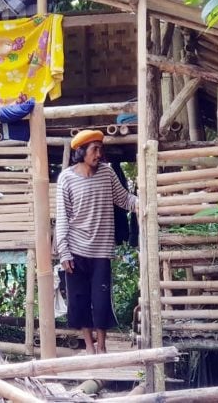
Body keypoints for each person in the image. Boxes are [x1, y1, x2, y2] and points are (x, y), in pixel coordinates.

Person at [55, 129, 138, 354]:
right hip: (75, 249)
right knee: (79, 300)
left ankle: (102, 345)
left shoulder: (107, 174)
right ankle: (90, 346)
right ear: (81, 152)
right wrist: (63, 252)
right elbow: (62, 216)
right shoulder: (66, 178)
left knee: (101, 301)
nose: (99, 154)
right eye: (94, 149)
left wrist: (142, 202)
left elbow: (123, 199)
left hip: (101, 250)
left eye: (101, 149)